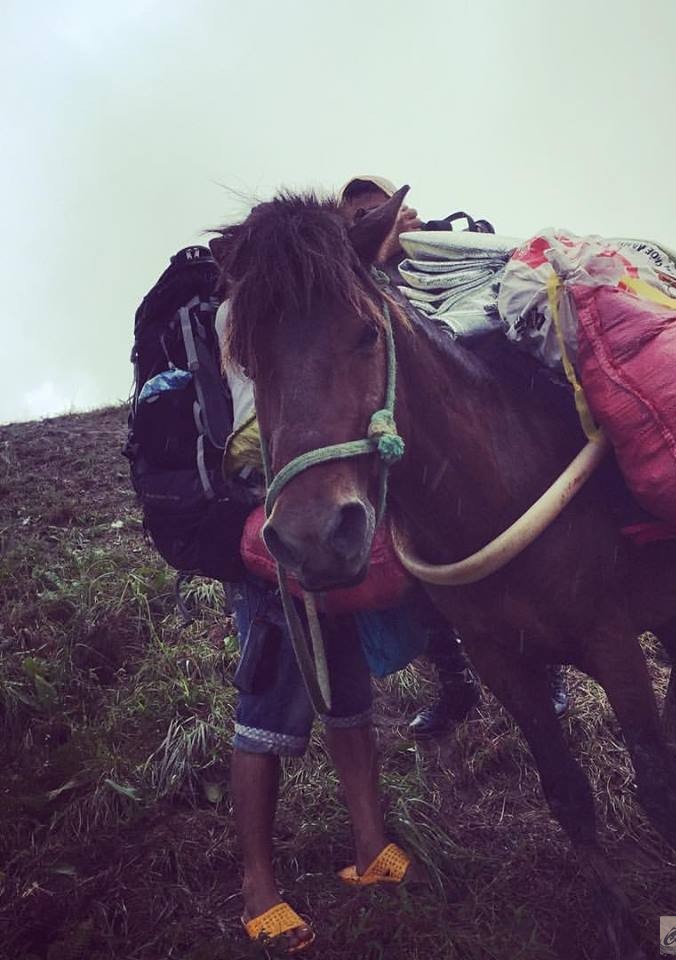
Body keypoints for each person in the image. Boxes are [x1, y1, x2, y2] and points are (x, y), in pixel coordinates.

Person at [214, 296, 417, 955]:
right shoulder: (244, 317)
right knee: (266, 712)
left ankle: (371, 845)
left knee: (348, 696)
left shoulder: (305, 318)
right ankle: (257, 887)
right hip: (269, 536)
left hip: (316, 523)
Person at [337, 175, 571, 736]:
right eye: (354, 218)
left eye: (375, 211)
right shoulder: (348, 283)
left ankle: (550, 672)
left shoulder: (441, 253)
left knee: (520, 563)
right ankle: (456, 686)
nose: (365, 224)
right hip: (406, 457)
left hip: (482, 447)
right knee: (421, 579)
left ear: (402, 210)